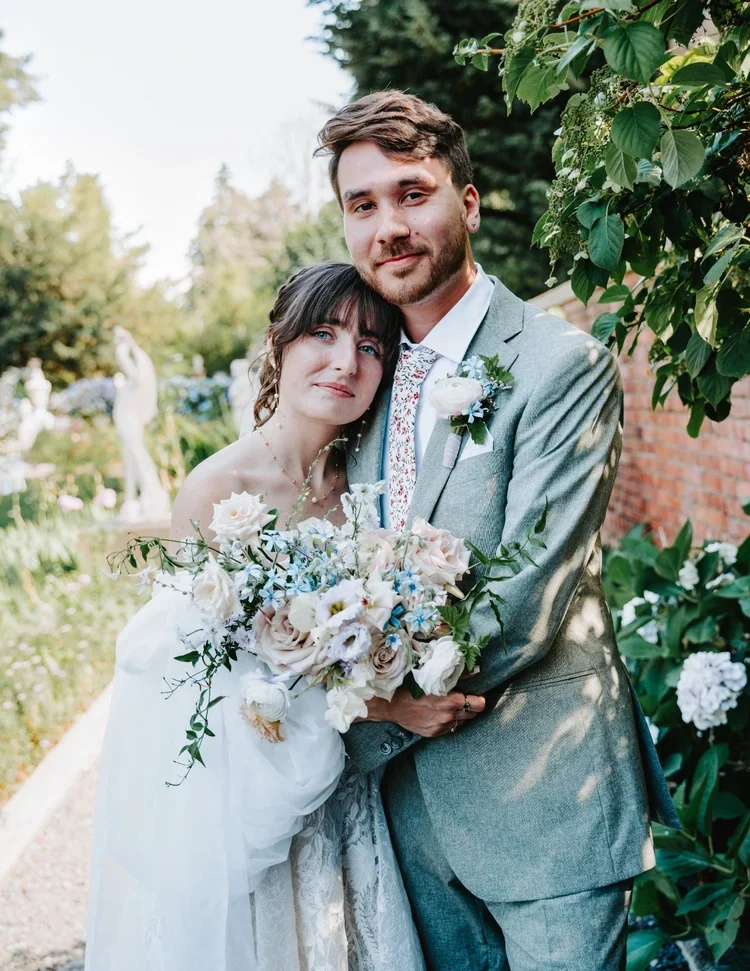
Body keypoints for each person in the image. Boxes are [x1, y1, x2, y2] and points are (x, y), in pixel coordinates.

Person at [316, 91, 679, 971]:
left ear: (468, 203)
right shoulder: (359, 384)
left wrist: (379, 711)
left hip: (544, 803)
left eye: (413, 194)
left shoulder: (561, 366)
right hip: (407, 821)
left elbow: (529, 591)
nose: (389, 227)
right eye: (363, 205)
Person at [85, 263, 464, 971]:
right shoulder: (217, 490)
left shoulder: (372, 489)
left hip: (347, 806)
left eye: (371, 346)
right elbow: (203, 690)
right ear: (278, 343)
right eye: (324, 333)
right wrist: (389, 706)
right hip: (250, 811)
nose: (346, 362)